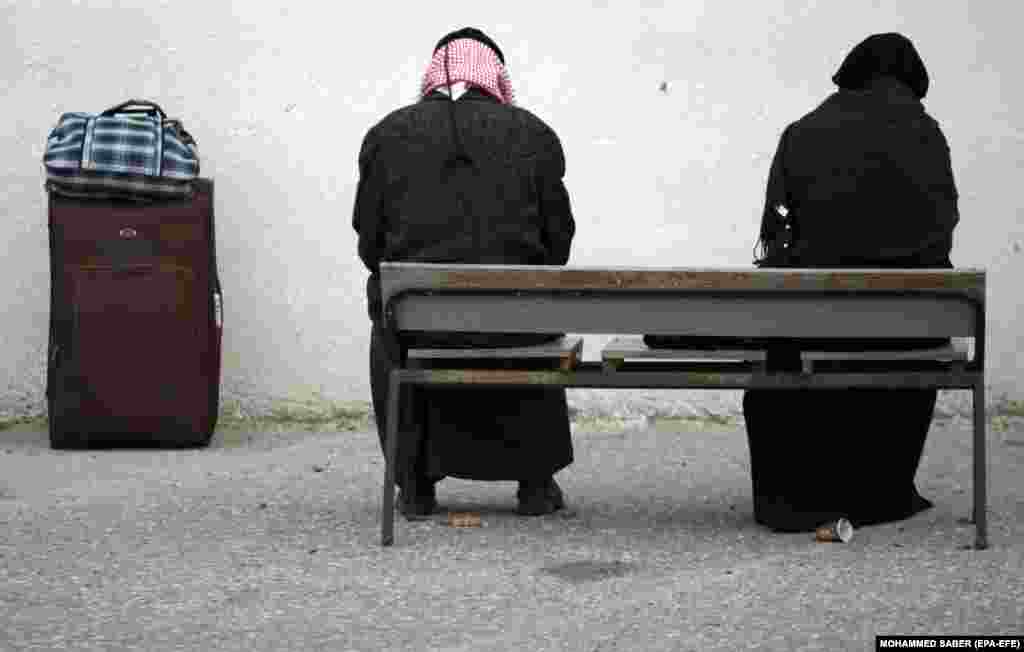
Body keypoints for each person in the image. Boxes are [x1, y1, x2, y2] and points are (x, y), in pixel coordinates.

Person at [740, 32, 961, 531]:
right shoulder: (928, 134)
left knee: (787, 348)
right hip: (913, 328)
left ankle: (797, 497)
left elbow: (775, 230)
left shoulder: (802, 132)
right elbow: (945, 221)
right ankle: (880, 492)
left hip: (818, 324)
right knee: (900, 347)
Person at [353, 28, 576, 519]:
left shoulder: (386, 135)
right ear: (495, 76)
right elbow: (558, 243)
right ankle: (535, 483)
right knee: (533, 310)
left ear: (432, 75)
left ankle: (414, 486)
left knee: (390, 318)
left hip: (417, 324)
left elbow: (369, 243)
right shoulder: (534, 134)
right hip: (518, 326)